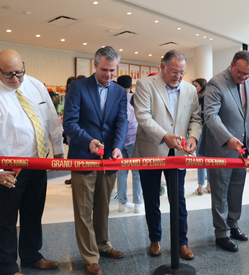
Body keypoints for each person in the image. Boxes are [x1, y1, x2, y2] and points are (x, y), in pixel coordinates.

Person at [0, 49, 64, 275]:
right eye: (8, 74)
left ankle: (31, 256)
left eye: (19, 73)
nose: (16, 79)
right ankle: (7, 267)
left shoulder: (35, 85)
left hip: (37, 163)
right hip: (8, 169)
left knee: (33, 213)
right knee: (6, 221)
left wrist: (58, 151)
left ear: (24, 65)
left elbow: (50, 119)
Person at [63, 46, 128, 275]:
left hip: (109, 159)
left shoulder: (120, 92)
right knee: (83, 209)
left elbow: (122, 122)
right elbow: (69, 123)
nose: (108, 75)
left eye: (112, 70)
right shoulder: (78, 88)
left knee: (103, 206)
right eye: (104, 70)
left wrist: (118, 147)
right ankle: (90, 256)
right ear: (94, 65)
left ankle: (103, 245)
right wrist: (88, 141)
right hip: (83, 156)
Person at [132, 49, 201, 260]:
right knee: (152, 198)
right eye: (173, 71)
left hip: (178, 152)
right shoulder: (145, 85)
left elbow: (196, 119)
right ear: (162, 66)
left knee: (178, 198)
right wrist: (164, 136)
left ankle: (182, 241)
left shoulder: (190, 90)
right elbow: (143, 116)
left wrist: (193, 138)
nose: (177, 76)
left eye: (181, 72)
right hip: (151, 149)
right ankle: (155, 238)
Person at [199, 50, 249, 252]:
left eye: (247, 74)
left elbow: (248, 111)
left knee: (236, 188)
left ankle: (233, 224)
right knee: (220, 192)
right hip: (221, 147)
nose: (243, 78)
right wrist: (228, 138)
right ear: (232, 65)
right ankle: (221, 233)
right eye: (240, 73)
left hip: (242, 148)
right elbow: (211, 116)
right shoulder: (216, 83)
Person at [116, 75, 143, 213]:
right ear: (131, 86)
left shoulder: (114, 98)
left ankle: (122, 203)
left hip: (119, 141)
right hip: (134, 139)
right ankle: (138, 204)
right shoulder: (135, 98)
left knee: (121, 172)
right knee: (136, 173)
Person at [193, 78, 211, 195]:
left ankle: (200, 187)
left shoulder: (200, 98)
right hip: (209, 132)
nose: (194, 88)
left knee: (201, 159)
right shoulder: (208, 97)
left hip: (201, 131)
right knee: (209, 159)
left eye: (196, 86)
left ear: (202, 86)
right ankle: (208, 186)